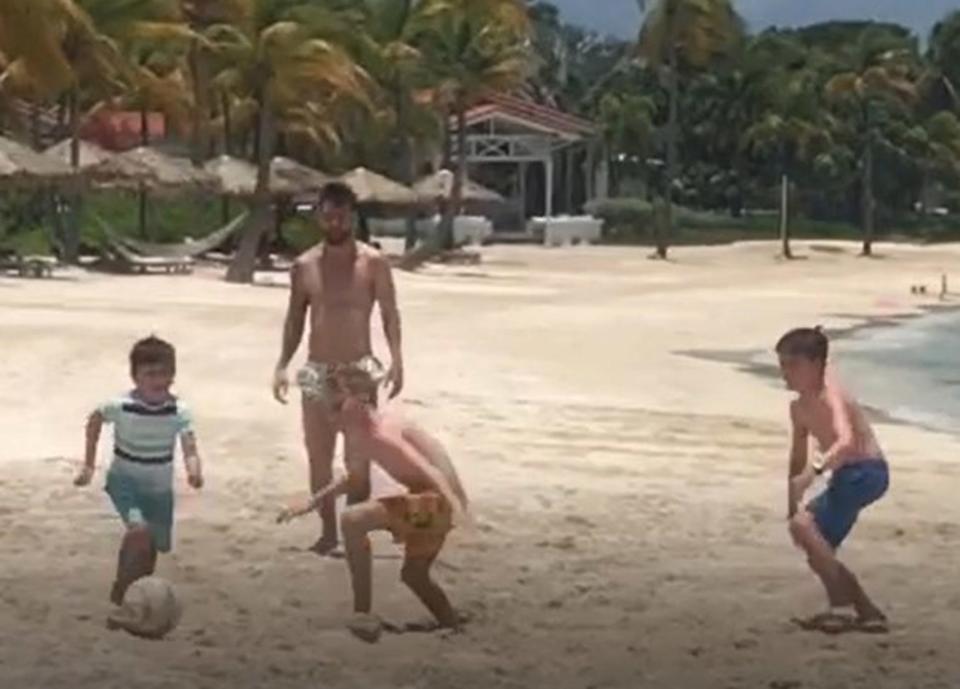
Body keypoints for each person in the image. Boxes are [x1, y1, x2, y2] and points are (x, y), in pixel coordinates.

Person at [277, 367, 468, 643]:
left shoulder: (379, 434)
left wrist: (459, 516)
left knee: (353, 521)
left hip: (436, 502)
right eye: (328, 410)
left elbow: (432, 472)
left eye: (337, 407)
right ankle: (449, 621)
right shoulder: (366, 432)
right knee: (414, 576)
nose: (331, 418)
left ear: (359, 400)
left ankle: (362, 613)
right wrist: (311, 503)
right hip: (431, 502)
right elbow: (354, 479)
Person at [272, 181, 404, 555]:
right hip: (316, 371)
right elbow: (294, 319)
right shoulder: (304, 265)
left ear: (352, 217)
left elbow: (391, 315)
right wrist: (282, 364)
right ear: (319, 217)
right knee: (318, 457)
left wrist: (397, 361)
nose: (334, 223)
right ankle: (328, 532)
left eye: (341, 216)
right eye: (327, 216)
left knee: (358, 460)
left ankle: (352, 529)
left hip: (359, 372)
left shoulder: (374, 263)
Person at [74, 335, 203, 611]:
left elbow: (189, 445)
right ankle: (121, 587)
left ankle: (139, 590)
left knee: (153, 546)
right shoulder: (121, 406)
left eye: (165, 373)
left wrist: (194, 469)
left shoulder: (179, 411)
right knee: (139, 531)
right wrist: (88, 463)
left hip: (159, 491)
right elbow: (95, 420)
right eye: (150, 374)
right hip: (125, 483)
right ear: (135, 377)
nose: (159, 380)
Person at [777, 326, 890, 634]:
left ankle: (839, 608)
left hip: (868, 471)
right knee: (818, 551)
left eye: (792, 365)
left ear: (815, 366)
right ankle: (868, 613)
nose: (785, 373)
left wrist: (814, 473)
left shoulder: (832, 395)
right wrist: (792, 500)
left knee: (806, 529)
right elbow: (796, 456)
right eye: (782, 365)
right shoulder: (797, 408)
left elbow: (846, 441)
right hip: (844, 477)